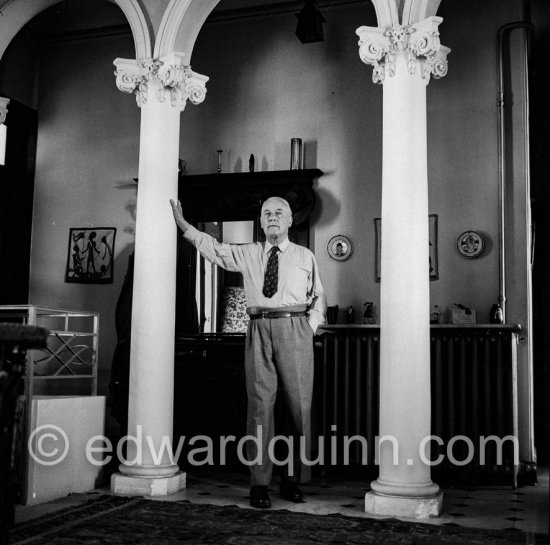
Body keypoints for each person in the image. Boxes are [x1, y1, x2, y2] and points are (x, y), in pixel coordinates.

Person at [170, 196, 326, 509]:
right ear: (260, 220)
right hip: (258, 329)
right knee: (259, 408)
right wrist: (184, 226)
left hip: (295, 328)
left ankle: (292, 480)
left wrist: (310, 326)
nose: (272, 217)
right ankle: (260, 485)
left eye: (279, 212)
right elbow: (214, 249)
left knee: (299, 407)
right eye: (267, 213)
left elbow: (317, 296)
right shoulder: (248, 253)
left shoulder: (304, 255)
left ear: (290, 220)